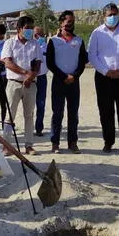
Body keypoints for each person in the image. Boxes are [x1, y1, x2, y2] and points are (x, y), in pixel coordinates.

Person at [88, 3, 119, 154]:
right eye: (109, 15)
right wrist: (105, 71)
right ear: (104, 16)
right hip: (104, 78)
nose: (112, 17)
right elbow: (92, 55)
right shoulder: (97, 33)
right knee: (106, 111)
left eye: (115, 14)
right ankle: (108, 141)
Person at [46, 10, 88, 154]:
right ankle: (55, 143)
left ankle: (73, 143)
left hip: (74, 83)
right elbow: (50, 63)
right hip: (58, 82)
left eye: (72, 22)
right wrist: (63, 76)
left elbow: (82, 63)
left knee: (73, 114)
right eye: (68, 21)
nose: (71, 24)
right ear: (61, 22)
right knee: (57, 114)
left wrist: (74, 76)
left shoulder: (79, 41)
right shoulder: (53, 41)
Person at [2, 16, 43, 155]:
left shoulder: (35, 44)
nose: (30, 30)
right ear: (19, 29)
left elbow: (38, 63)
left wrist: (31, 76)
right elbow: (8, 62)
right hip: (14, 83)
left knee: (29, 115)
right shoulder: (10, 43)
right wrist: (26, 73)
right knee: (9, 115)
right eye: (27, 28)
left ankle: (29, 145)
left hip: (31, 84)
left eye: (31, 27)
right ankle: (6, 146)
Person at [34, 26, 48, 137]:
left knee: (41, 104)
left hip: (42, 78)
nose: (38, 37)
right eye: (36, 35)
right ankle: (28, 128)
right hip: (31, 78)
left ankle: (39, 128)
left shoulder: (47, 47)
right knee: (28, 105)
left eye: (40, 34)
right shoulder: (30, 46)